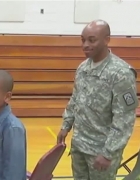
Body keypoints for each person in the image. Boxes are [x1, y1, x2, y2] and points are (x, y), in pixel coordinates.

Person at [57, 19, 138, 180]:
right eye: (83, 40)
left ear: (107, 39)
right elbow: (75, 100)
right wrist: (65, 125)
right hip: (79, 146)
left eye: (92, 40)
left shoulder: (121, 73)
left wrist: (108, 153)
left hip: (101, 151)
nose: (85, 44)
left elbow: (124, 120)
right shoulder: (82, 69)